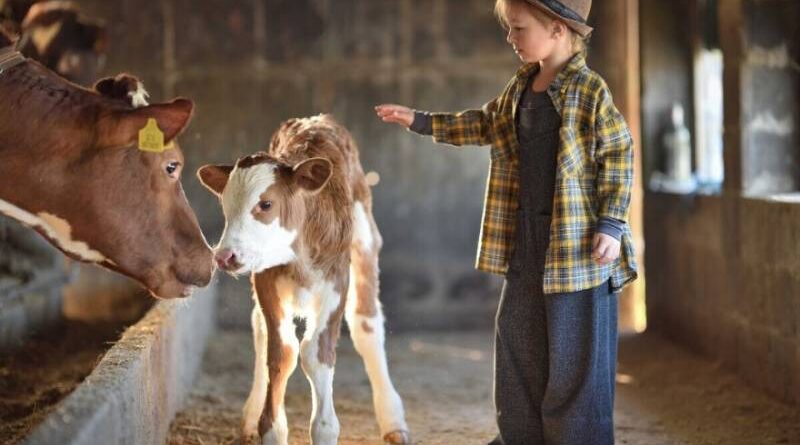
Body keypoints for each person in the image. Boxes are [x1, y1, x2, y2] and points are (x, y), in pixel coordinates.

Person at [375, 0, 637, 443]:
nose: (510, 38)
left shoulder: (590, 90)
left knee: (575, 354)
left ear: (557, 29)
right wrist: (420, 121)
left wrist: (611, 225)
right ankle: (520, 436)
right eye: (510, 28)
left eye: (519, 28)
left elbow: (619, 154)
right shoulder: (521, 85)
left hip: (577, 249)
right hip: (526, 239)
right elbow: (484, 124)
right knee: (516, 338)